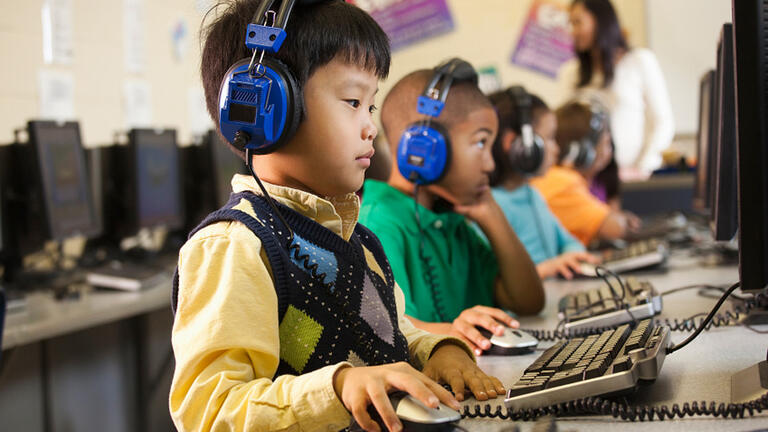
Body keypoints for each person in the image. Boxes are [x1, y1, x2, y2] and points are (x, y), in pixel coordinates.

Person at [170, 2, 505, 431]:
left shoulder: (357, 240)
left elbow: (392, 332)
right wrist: (339, 388)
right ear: (268, 105)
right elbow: (210, 412)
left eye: (371, 106)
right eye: (352, 101)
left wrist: (440, 350)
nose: (371, 127)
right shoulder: (236, 247)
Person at [359, 59, 545, 356]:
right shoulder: (378, 223)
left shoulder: (451, 220)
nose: (491, 164)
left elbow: (529, 300)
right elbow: (393, 327)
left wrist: (491, 215)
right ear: (422, 147)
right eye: (481, 143)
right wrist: (455, 330)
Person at [487, 86, 599, 279]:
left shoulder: (532, 194)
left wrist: (570, 255)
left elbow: (569, 243)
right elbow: (496, 284)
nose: (556, 149)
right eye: (549, 138)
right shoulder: (492, 206)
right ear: (517, 143)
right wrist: (547, 269)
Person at [558, 0, 674, 180]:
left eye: (578, 22)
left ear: (600, 20)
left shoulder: (640, 61)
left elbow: (663, 122)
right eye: (570, 23)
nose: (572, 31)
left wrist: (642, 168)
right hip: (586, 181)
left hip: (631, 177)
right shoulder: (570, 72)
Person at [531, 101, 641, 246]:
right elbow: (616, 228)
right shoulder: (562, 181)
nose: (610, 151)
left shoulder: (557, 177)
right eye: (607, 143)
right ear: (584, 151)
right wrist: (624, 219)